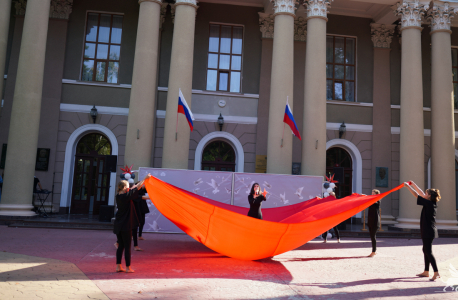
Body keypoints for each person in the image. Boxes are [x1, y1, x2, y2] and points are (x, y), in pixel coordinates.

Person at [113, 173, 151, 273]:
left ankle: (118, 266)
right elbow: (136, 188)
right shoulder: (126, 196)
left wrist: (141, 181)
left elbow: (134, 188)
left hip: (118, 225)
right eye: (128, 186)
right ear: (125, 187)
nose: (129, 188)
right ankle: (128, 267)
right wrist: (144, 178)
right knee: (127, 246)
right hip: (126, 225)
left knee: (120, 246)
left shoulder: (119, 195)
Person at [403, 181, 440, 281]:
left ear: (429, 196)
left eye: (426, 193)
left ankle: (436, 272)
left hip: (428, 230)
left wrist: (408, 187)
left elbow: (416, 194)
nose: (424, 194)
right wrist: (414, 184)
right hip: (427, 230)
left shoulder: (429, 204)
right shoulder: (431, 202)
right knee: (425, 250)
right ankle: (426, 271)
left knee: (428, 251)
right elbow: (420, 193)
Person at [367, 189, 381, 257]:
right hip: (370, 221)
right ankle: (374, 250)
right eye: (371, 193)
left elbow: (374, 201)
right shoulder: (371, 200)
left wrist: (366, 196)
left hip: (375, 221)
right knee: (372, 236)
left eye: (373, 194)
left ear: (376, 194)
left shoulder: (378, 201)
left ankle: (374, 251)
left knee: (373, 236)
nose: (372, 195)